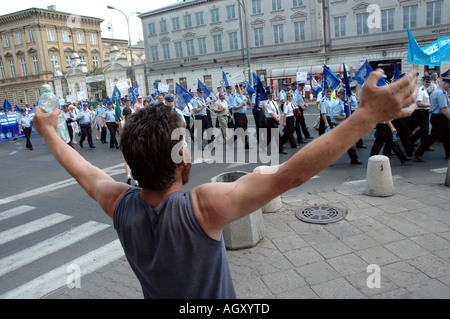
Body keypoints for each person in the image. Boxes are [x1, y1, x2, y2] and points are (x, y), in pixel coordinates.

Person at [32, 69, 417, 299]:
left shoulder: (118, 204)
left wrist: (50, 132)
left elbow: (82, 170)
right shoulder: (201, 207)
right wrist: (366, 116)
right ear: (182, 157)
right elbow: (291, 175)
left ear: (130, 165)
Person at [414, 77, 450, 161]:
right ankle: (418, 152)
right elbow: (444, 108)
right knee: (433, 136)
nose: (449, 87)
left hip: (438, 117)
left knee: (447, 136)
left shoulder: (437, 92)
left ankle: (448, 154)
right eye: (449, 84)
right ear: (444, 83)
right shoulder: (441, 93)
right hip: (440, 117)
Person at [331, 87, 362, 165]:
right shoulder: (337, 103)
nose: (347, 97)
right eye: (345, 95)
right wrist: (346, 118)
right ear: (340, 94)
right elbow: (335, 116)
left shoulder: (342, 102)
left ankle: (354, 159)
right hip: (337, 125)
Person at [119, 106, 138, 187]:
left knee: (127, 161)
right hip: (134, 142)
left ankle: (128, 175)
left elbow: (120, 134)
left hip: (126, 143)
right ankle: (136, 179)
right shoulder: (134, 122)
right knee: (136, 161)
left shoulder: (121, 123)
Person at [264, 87, 287, 154]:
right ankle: (280, 149)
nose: (271, 96)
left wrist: (279, 118)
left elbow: (278, 111)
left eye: (271, 95)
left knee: (270, 135)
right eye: (269, 95)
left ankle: (263, 146)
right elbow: (271, 113)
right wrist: (277, 119)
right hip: (271, 120)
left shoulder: (274, 102)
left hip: (275, 119)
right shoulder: (267, 103)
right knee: (277, 134)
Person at [410, 76, 431, 146]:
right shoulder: (421, 90)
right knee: (423, 129)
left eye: (429, 82)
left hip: (424, 111)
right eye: (426, 82)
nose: (428, 83)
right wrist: (430, 105)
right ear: (423, 82)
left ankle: (424, 144)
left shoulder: (425, 90)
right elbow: (419, 103)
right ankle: (411, 140)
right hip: (421, 112)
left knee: (424, 129)